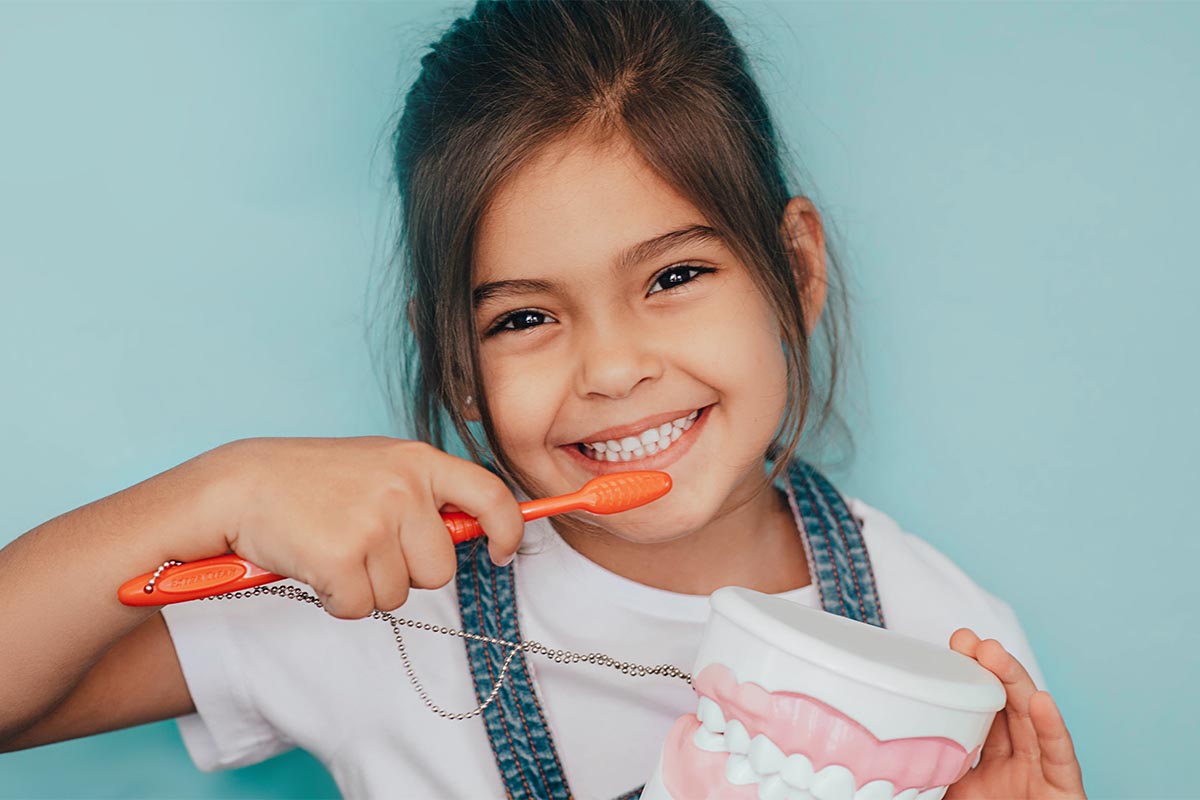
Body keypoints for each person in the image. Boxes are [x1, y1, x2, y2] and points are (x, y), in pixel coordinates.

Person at [0, 1, 1086, 798]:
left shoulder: (948, 647)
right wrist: (223, 487)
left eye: (673, 277)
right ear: (457, 363)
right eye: (525, 317)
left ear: (794, 268)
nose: (611, 371)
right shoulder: (377, 602)